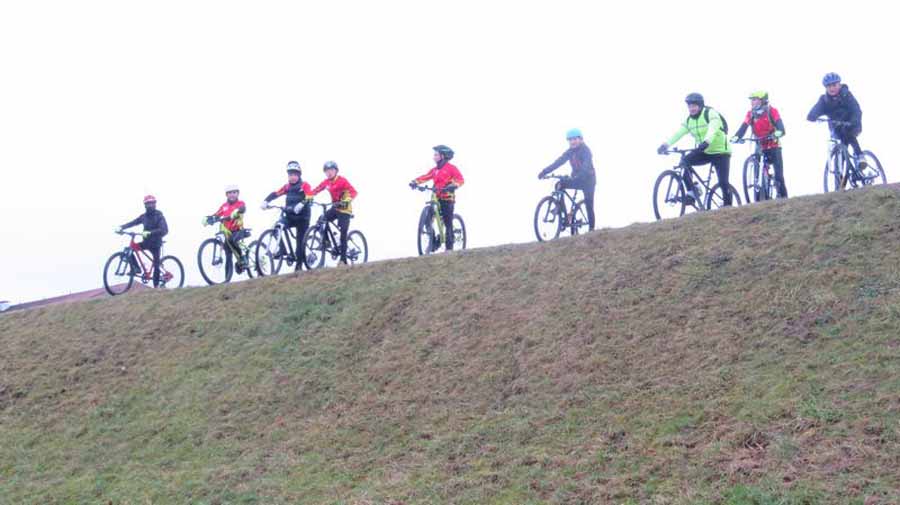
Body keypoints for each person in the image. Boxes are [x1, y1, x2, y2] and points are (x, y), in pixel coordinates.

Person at [658, 93, 733, 206]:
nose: (691, 109)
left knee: (723, 182)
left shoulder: (710, 113)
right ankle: (692, 191)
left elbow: (713, 129)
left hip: (721, 152)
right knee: (684, 162)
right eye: (689, 106)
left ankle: (728, 206)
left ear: (700, 105)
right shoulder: (689, 121)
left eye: (694, 106)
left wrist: (707, 141)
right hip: (705, 151)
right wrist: (665, 145)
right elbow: (678, 133)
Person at [538, 128, 597, 230]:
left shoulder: (586, 151)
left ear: (581, 139)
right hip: (577, 179)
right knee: (559, 184)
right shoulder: (570, 152)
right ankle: (562, 214)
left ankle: (591, 229)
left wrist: (580, 174)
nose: (572, 142)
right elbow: (558, 162)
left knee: (589, 204)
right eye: (570, 140)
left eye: (575, 139)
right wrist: (545, 171)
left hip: (588, 180)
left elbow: (586, 165)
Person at [732, 91, 788, 198]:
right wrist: (737, 136)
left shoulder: (772, 111)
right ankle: (758, 199)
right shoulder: (750, 114)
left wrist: (778, 132)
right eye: (751, 100)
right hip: (760, 145)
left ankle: (784, 197)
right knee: (757, 175)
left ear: (762, 101)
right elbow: (744, 126)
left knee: (779, 176)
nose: (752, 102)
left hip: (773, 145)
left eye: (755, 99)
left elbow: (781, 127)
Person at [409, 145, 465, 250]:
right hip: (436, 196)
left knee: (448, 223)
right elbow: (426, 176)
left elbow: (460, 180)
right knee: (427, 219)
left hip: (447, 198)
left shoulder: (451, 168)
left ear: (442, 156)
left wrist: (453, 185)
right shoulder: (435, 170)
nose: (433, 157)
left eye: (436, 155)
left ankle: (449, 248)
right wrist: (415, 182)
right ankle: (433, 242)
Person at [806, 72, 866, 170]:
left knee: (848, 134)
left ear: (839, 84)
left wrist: (853, 121)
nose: (832, 88)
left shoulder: (846, 95)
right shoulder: (824, 100)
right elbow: (815, 111)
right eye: (829, 86)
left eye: (834, 85)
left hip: (852, 124)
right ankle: (840, 176)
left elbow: (856, 110)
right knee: (840, 149)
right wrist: (812, 117)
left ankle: (860, 156)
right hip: (836, 128)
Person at [261, 161, 312, 271]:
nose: (292, 177)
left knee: (300, 242)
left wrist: (302, 204)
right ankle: (282, 249)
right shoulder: (287, 187)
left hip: (303, 217)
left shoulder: (305, 185)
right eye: (290, 175)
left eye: (295, 174)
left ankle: (299, 266)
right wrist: (266, 201)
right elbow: (276, 193)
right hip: (290, 216)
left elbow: (310, 196)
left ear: (299, 175)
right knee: (277, 227)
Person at [309, 161, 358, 265]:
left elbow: (353, 192)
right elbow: (316, 190)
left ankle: (343, 260)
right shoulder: (326, 182)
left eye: (331, 170)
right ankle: (326, 242)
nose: (329, 173)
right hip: (335, 207)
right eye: (327, 171)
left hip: (344, 209)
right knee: (321, 220)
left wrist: (346, 201)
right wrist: (308, 197)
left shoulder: (342, 180)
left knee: (343, 232)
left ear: (336, 171)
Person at [117, 195, 169, 287]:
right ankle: (136, 268)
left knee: (156, 266)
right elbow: (133, 222)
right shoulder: (144, 217)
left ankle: (156, 288)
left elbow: (164, 230)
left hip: (156, 244)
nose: (150, 205)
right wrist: (121, 227)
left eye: (152, 203)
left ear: (155, 204)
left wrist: (150, 232)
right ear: (145, 205)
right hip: (146, 242)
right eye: (148, 204)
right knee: (129, 250)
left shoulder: (159, 216)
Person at [204, 185, 248, 272]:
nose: (232, 194)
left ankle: (242, 257)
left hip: (238, 230)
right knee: (228, 254)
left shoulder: (240, 203)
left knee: (232, 240)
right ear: (226, 195)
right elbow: (217, 214)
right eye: (229, 193)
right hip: (228, 232)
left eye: (234, 192)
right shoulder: (224, 206)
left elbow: (243, 208)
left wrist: (237, 211)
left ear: (238, 194)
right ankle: (227, 278)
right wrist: (208, 219)